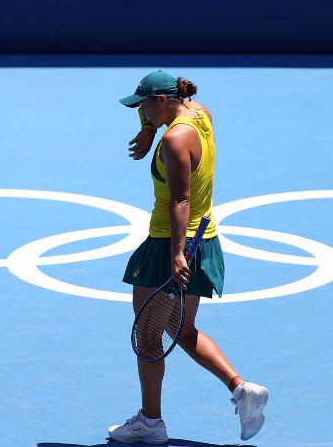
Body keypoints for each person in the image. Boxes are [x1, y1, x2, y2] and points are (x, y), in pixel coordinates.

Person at [107, 70, 269, 444]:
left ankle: (150, 423)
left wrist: (176, 254)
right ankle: (242, 389)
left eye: (145, 106)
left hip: (170, 243)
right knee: (180, 329)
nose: (142, 112)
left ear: (163, 101)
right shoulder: (199, 114)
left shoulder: (175, 142)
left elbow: (181, 200)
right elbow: (165, 111)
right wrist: (149, 128)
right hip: (204, 238)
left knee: (148, 335)